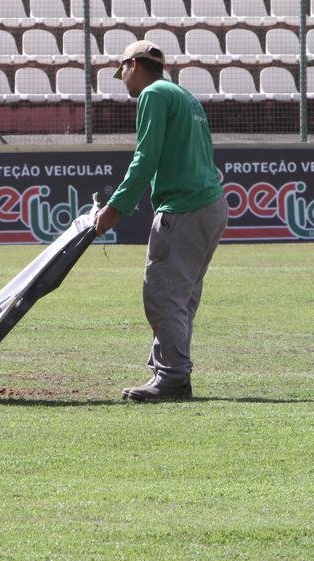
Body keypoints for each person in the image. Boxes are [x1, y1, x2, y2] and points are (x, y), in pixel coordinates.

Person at [94, 40, 228, 402]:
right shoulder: (184, 96)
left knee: (163, 293)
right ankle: (167, 369)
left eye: (122, 70)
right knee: (182, 296)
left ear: (134, 65)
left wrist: (115, 207)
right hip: (210, 204)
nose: (122, 79)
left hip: (183, 207)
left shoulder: (153, 95)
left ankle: (171, 378)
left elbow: (145, 157)